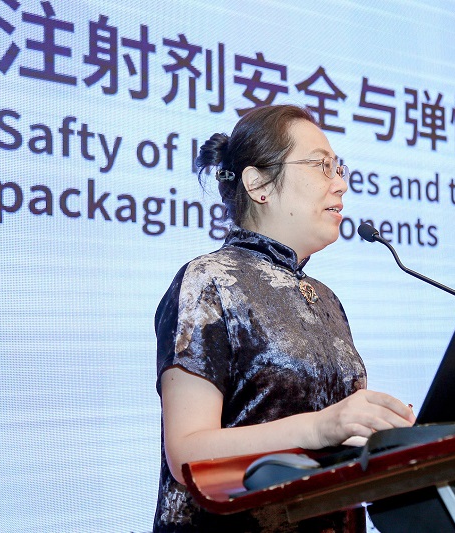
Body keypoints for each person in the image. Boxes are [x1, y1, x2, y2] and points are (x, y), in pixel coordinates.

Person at [154, 104, 416, 532]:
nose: (341, 183)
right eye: (321, 166)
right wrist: (321, 427)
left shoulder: (326, 299)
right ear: (259, 184)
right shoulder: (209, 280)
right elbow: (187, 454)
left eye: (339, 168)